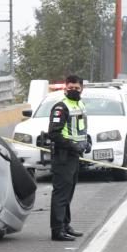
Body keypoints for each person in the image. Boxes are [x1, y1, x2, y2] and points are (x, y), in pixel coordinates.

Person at [48, 74, 90, 242]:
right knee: (61, 194)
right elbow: (54, 133)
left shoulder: (80, 104)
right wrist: (73, 145)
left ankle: (66, 225)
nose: (73, 90)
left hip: (74, 156)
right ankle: (57, 230)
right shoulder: (61, 107)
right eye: (70, 88)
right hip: (63, 156)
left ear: (82, 89)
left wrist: (87, 142)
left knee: (69, 192)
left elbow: (80, 129)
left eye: (76, 88)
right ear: (65, 88)